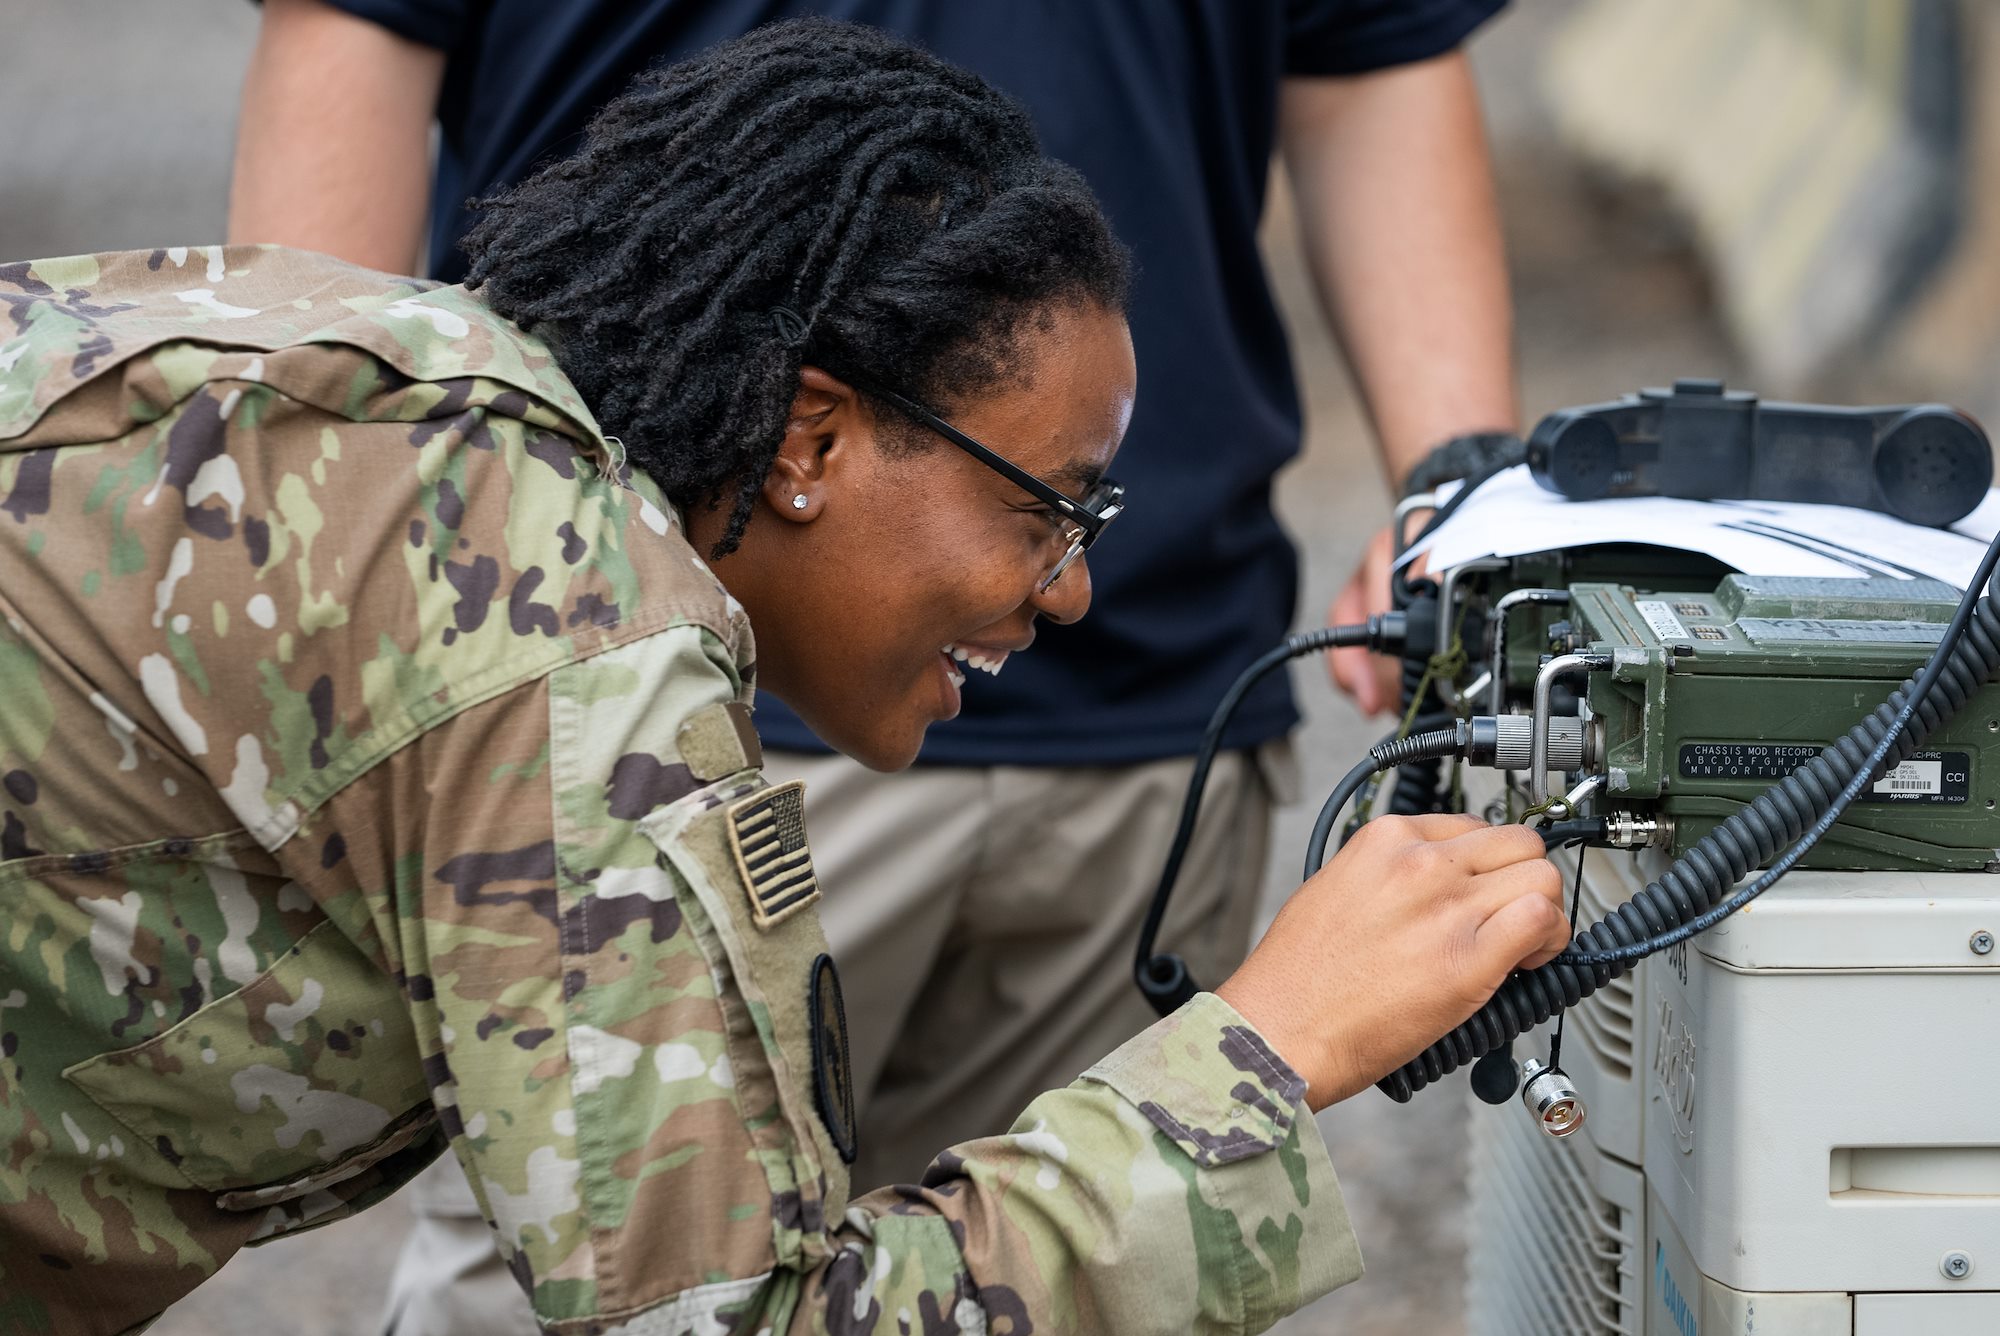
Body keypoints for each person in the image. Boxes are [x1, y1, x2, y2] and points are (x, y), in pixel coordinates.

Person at [0, 23, 1570, 1334]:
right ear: (811, 439)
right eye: (1048, 510)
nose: (1075, 587)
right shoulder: (563, 641)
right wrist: (1268, 1049)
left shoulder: (357, 371)